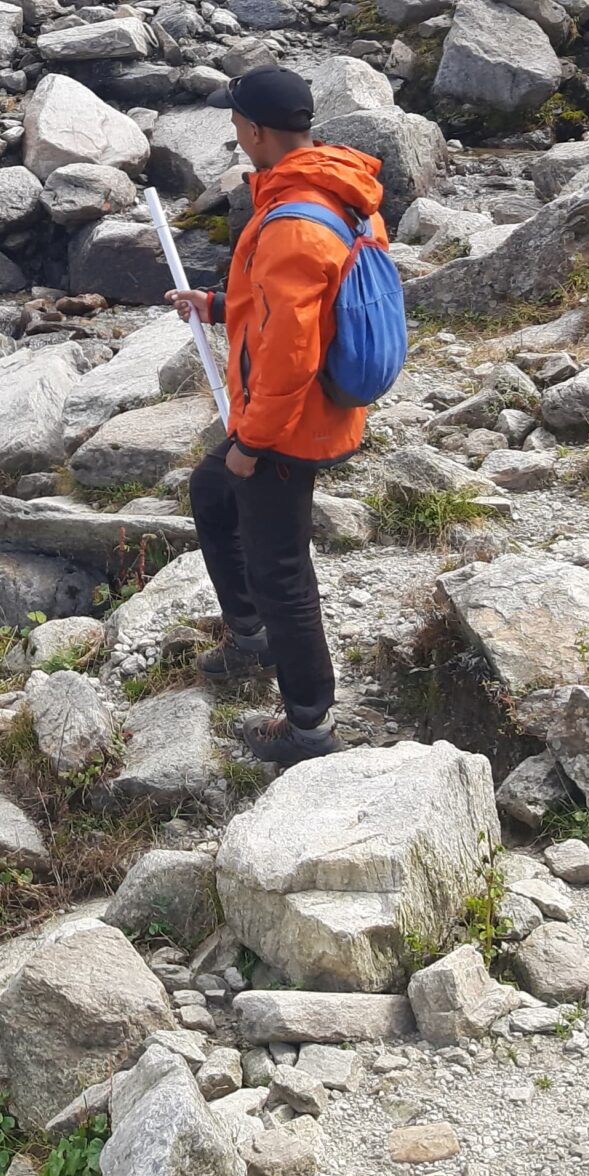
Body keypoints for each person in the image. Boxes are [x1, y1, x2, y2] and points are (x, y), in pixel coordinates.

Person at [165, 64, 389, 769]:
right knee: (211, 492)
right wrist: (217, 306)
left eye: (237, 123)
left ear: (258, 131)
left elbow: (290, 357)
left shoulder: (292, 223)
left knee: (281, 571)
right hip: (315, 406)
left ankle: (308, 726)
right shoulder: (338, 192)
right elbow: (305, 308)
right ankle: (251, 638)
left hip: (289, 425)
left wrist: (253, 444)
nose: (235, 133)